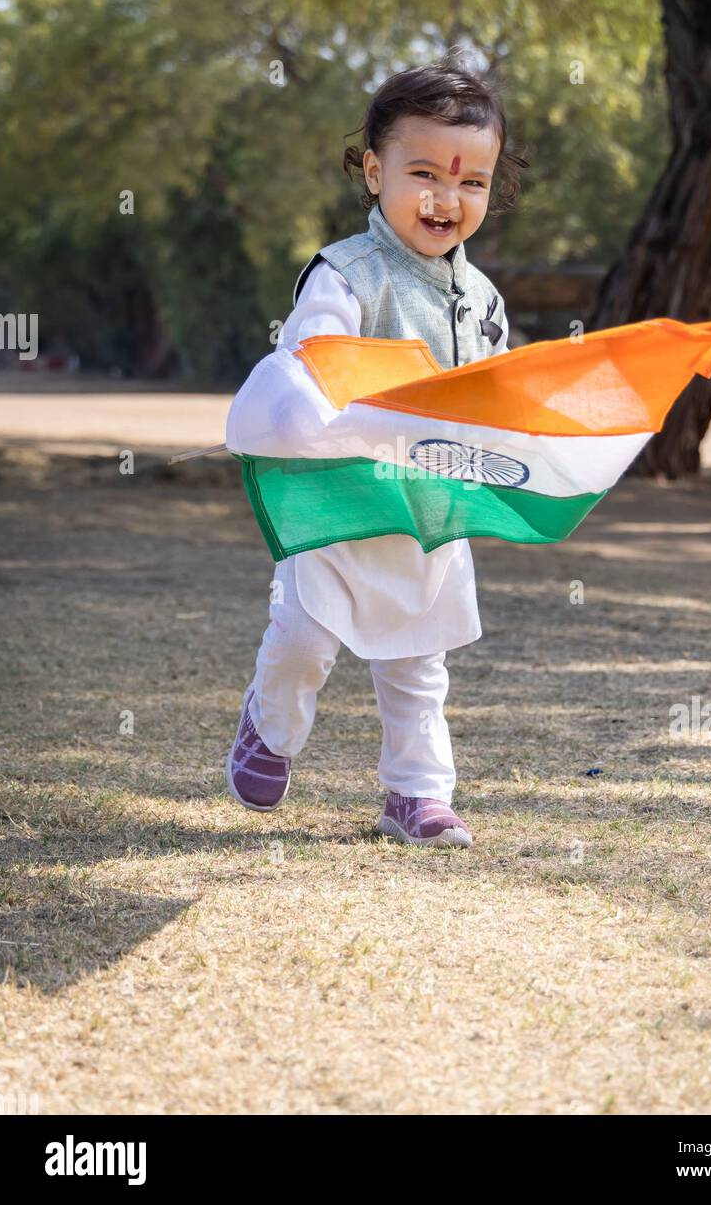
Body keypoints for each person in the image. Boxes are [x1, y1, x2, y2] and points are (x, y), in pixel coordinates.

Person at [225, 52, 527, 847]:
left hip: (425, 505)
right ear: (372, 171)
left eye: (473, 182)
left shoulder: (484, 297)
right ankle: (270, 727)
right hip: (337, 498)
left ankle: (416, 795)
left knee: (419, 663)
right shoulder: (346, 273)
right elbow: (312, 363)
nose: (447, 198)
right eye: (424, 173)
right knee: (304, 639)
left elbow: (488, 386)